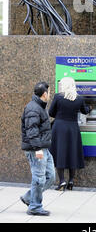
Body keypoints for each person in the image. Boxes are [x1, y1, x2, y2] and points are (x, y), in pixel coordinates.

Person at [49, 76, 92, 190]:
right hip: (73, 127)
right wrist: (90, 107)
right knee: (73, 152)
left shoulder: (58, 97)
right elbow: (85, 111)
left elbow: (51, 113)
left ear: (64, 85)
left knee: (60, 152)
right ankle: (71, 181)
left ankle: (62, 181)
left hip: (59, 127)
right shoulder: (79, 98)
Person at [20, 81, 55, 216]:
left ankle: (29, 197)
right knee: (39, 178)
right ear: (45, 94)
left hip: (44, 147)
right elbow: (32, 130)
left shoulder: (40, 106)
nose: (50, 95)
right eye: (49, 92)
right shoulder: (33, 108)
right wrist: (38, 149)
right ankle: (34, 206)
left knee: (50, 177)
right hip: (37, 149)